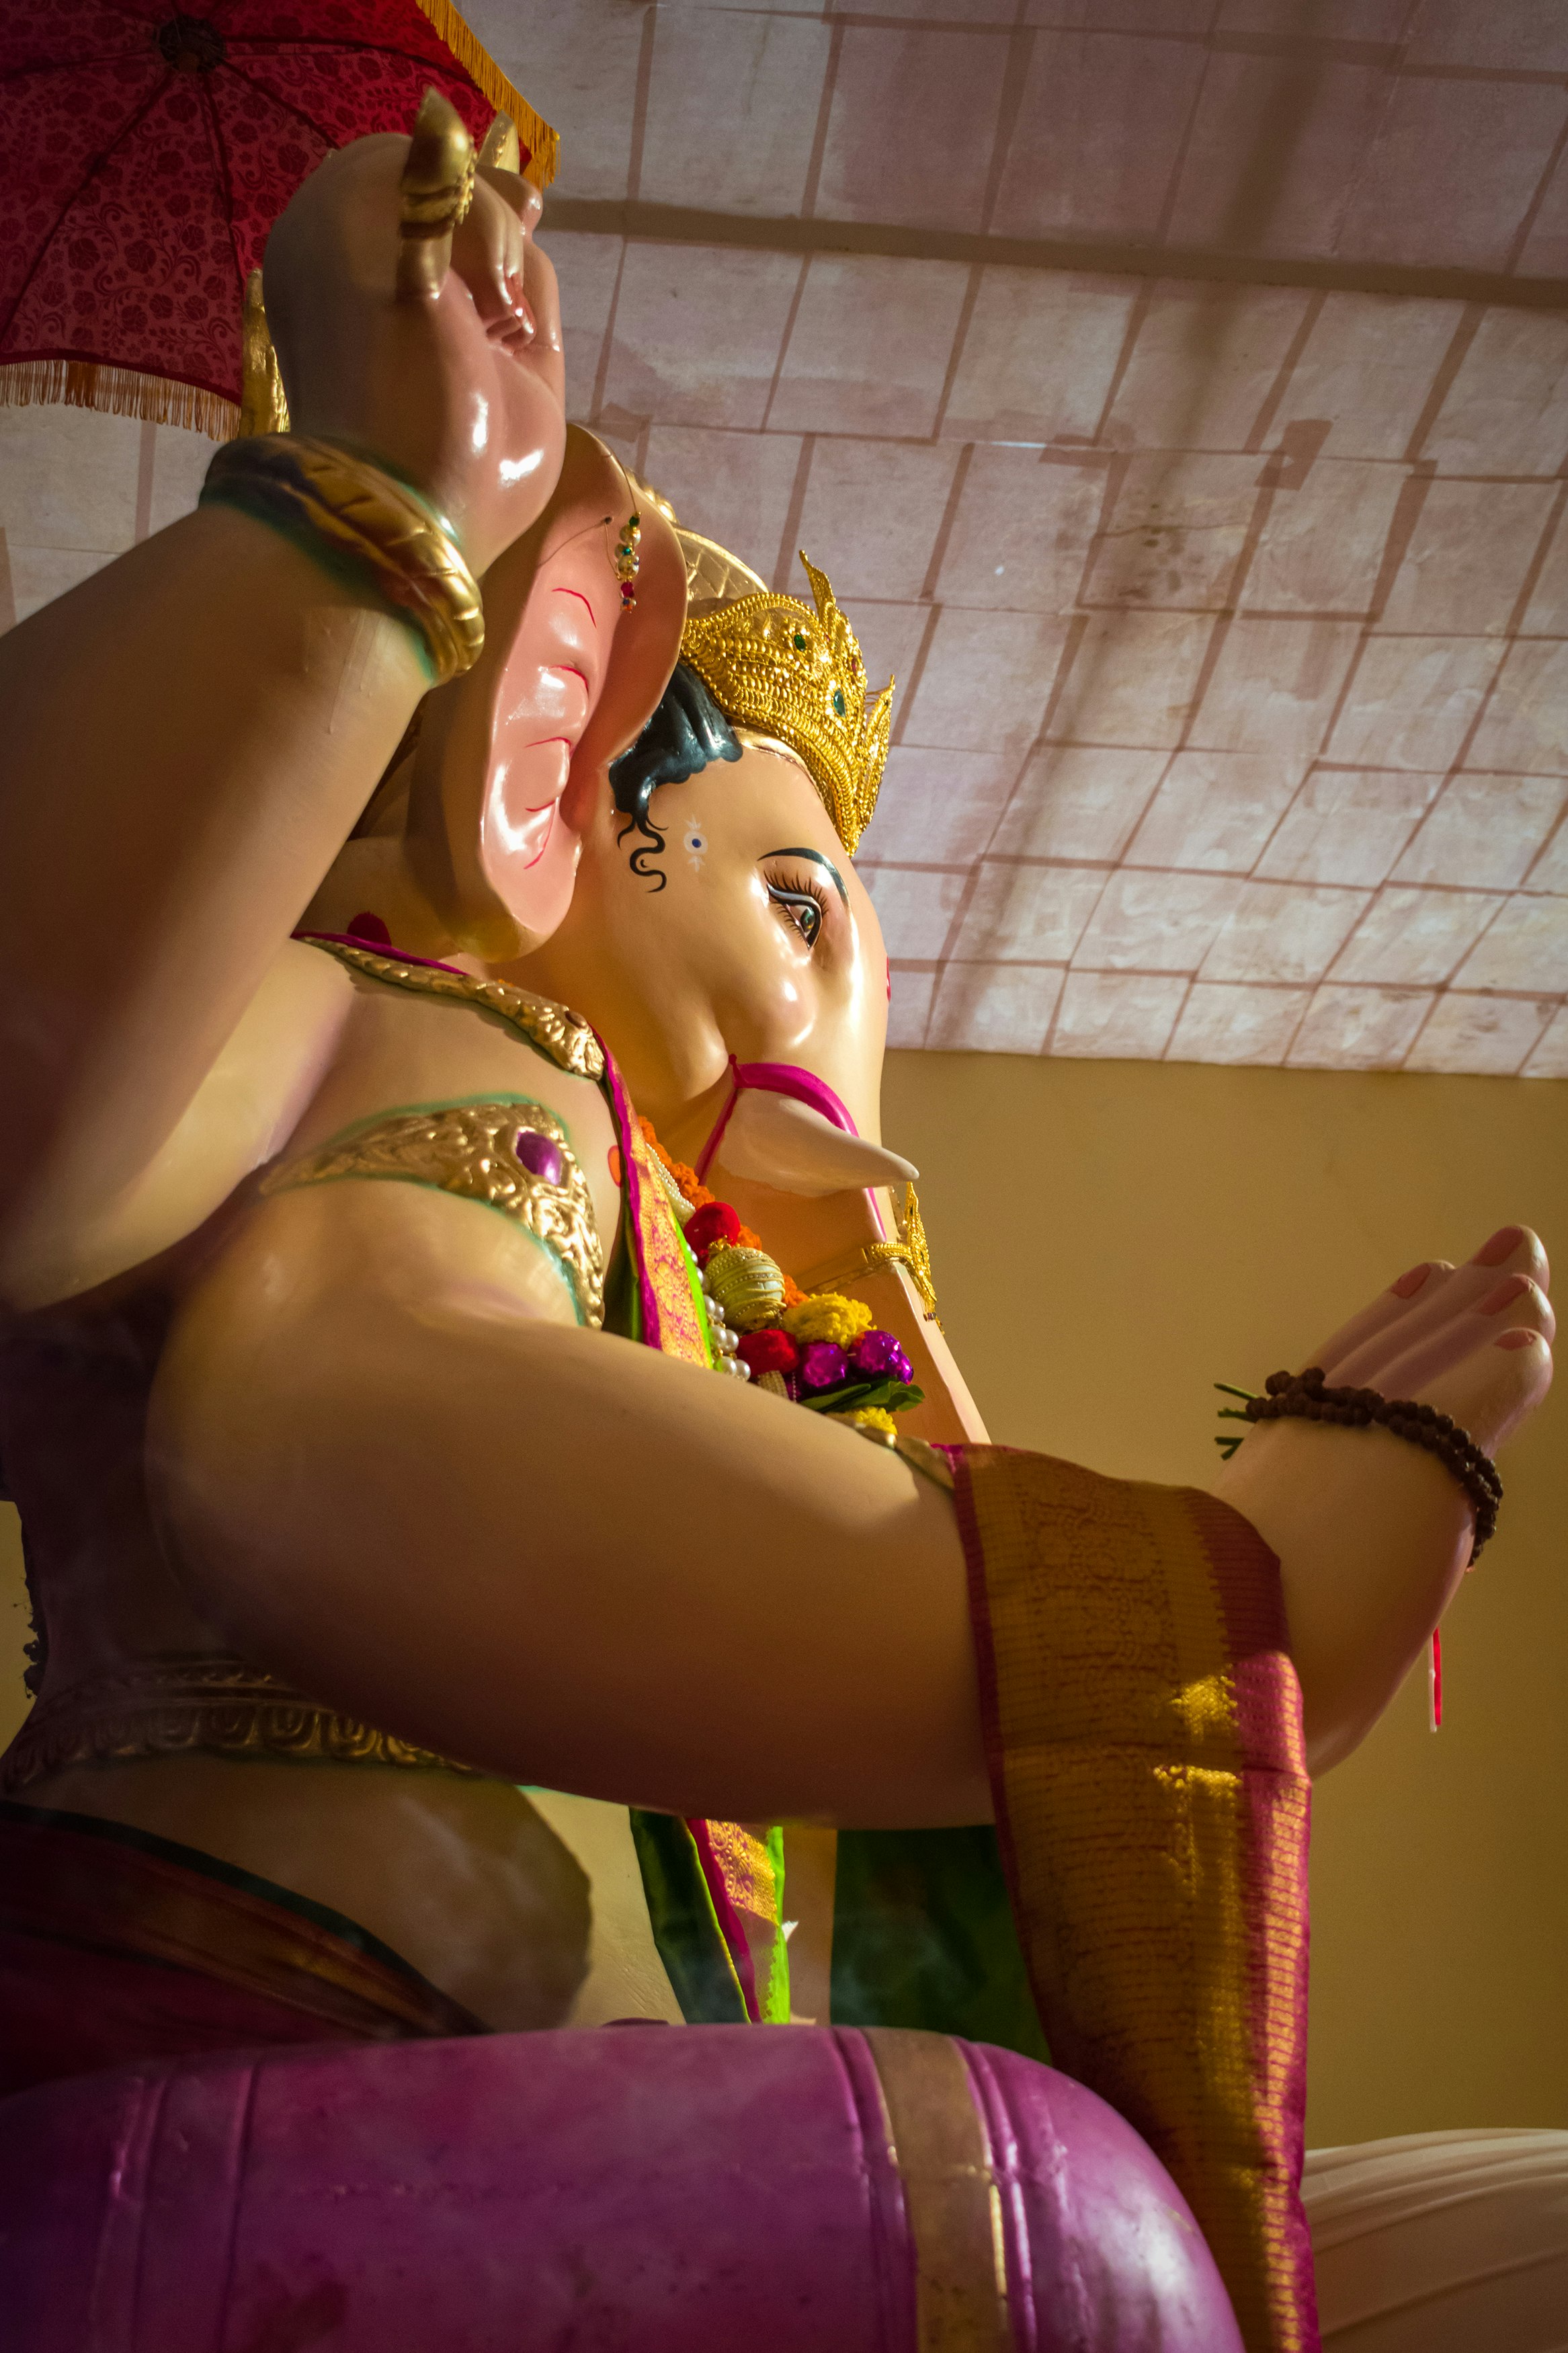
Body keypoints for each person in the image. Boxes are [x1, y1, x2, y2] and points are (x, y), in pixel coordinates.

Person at [0, 103, 1553, 2353]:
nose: (845, 1021)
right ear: (551, 766)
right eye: (798, 906)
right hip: (223, 2030)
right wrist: (1199, 1607)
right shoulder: (445, 1049)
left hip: (434, 2098)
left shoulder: (656, 1253)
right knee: (1065, 2242)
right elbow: (320, 1428)